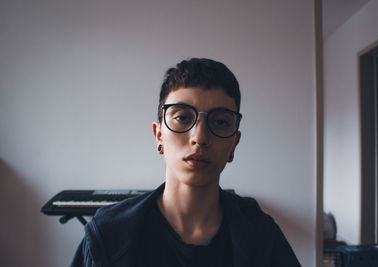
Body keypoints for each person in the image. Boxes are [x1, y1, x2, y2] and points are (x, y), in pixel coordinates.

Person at [71, 58, 301, 266]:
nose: (199, 138)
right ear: (158, 134)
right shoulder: (108, 235)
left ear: (234, 142)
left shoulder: (262, 235)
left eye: (220, 122)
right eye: (181, 117)